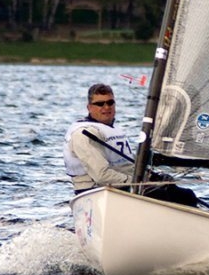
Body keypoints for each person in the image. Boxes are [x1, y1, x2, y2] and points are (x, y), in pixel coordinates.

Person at [63, 83, 200, 207]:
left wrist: (152, 177)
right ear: (89, 107)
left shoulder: (111, 129)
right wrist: (140, 183)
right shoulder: (83, 134)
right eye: (100, 104)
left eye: (110, 102)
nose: (106, 107)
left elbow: (127, 164)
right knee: (164, 194)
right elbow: (102, 176)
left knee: (185, 195)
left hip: (123, 188)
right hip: (97, 193)